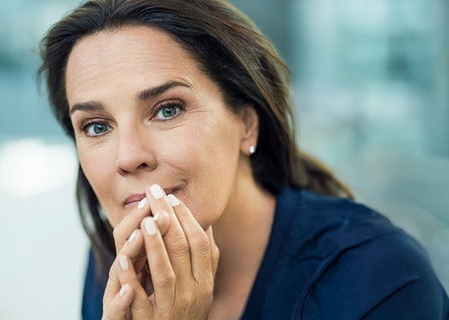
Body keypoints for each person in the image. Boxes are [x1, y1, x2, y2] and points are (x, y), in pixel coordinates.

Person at [38, 0, 449, 318]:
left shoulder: (379, 278)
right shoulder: (115, 270)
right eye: (96, 126)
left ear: (247, 124)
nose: (129, 157)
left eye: (168, 109)